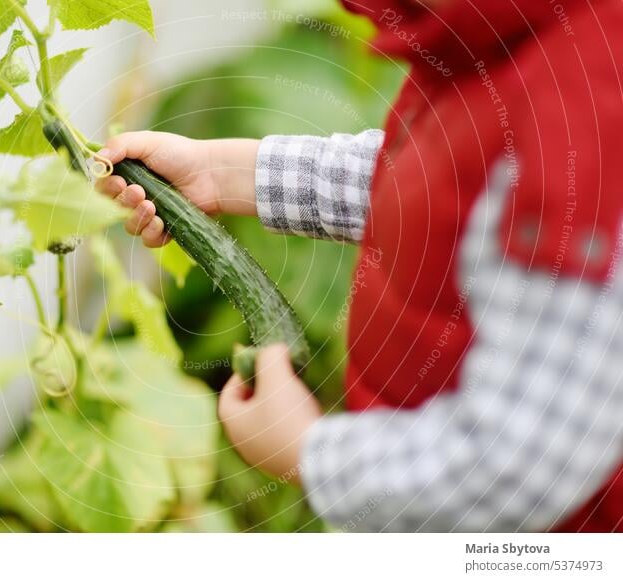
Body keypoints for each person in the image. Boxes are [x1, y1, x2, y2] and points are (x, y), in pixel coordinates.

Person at [97, 0, 623, 532]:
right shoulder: (510, 41)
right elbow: (440, 182)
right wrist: (225, 172)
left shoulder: (583, 129)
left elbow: (519, 465)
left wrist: (313, 453)